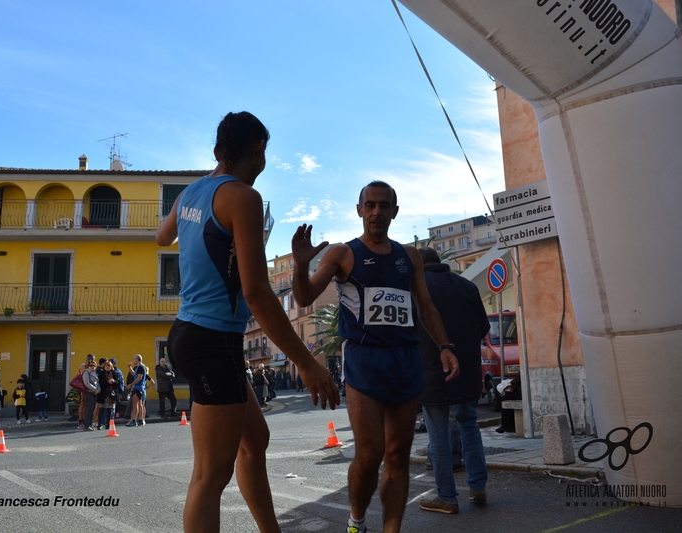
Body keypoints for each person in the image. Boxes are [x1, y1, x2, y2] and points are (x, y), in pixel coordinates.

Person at [157, 111, 339, 533]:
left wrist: (209, 175)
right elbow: (257, 293)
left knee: (254, 441)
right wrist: (308, 364)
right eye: (264, 153)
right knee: (209, 476)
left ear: (220, 151)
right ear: (258, 150)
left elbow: (161, 237)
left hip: (193, 334)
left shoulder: (191, 194)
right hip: (211, 339)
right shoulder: (242, 198)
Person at [291, 181, 459, 533]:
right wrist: (299, 266)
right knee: (369, 455)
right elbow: (305, 297)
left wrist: (446, 346)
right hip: (365, 362)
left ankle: (391, 529)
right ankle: (357, 519)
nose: (376, 212)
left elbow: (425, 308)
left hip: (405, 360)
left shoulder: (409, 257)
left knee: (398, 455)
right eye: (370, 205)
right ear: (359, 210)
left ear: (394, 212)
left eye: (384, 205)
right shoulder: (342, 254)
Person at [414, 246, 490, 515]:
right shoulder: (467, 286)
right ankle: (478, 486)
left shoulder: (418, 290)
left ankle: (446, 496)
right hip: (467, 370)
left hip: (432, 371)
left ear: (419, 266)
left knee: (438, 434)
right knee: (469, 425)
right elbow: (484, 328)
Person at [125, 354, 148, 427]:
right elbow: (133, 374)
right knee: (139, 404)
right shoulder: (139, 367)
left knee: (135, 404)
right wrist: (129, 367)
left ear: (137, 359)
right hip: (140, 388)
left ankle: (133, 420)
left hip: (138, 387)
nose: (133, 360)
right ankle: (141, 419)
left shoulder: (141, 367)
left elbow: (139, 378)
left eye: (134, 359)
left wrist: (131, 385)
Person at [77, 354, 95, 428]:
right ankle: (81, 420)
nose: (91, 360)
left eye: (93, 359)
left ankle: (85, 419)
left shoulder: (92, 365)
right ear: (87, 359)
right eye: (90, 359)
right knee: (83, 403)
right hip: (83, 387)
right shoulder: (83, 366)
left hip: (90, 387)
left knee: (87, 405)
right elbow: (84, 374)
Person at [82, 358, 100, 430]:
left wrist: (98, 390)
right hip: (88, 392)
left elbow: (97, 382)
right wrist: (94, 389)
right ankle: (86, 425)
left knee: (92, 409)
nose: (92, 366)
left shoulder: (95, 373)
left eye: (94, 365)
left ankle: (90, 424)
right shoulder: (86, 372)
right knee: (89, 409)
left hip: (94, 393)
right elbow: (86, 383)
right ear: (88, 366)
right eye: (91, 365)